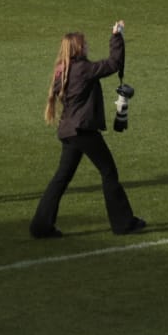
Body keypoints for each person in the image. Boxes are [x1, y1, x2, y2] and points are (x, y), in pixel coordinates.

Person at [29, 23, 145, 239]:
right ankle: (123, 223)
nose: (87, 47)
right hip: (83, 131)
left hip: (69, 131)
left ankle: (41, 226)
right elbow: (113, 64)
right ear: (77, 49)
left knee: (61, 179)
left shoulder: (62, 71)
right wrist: (116, 37)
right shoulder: (82, 69)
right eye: (84, 45)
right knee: (108, 172)